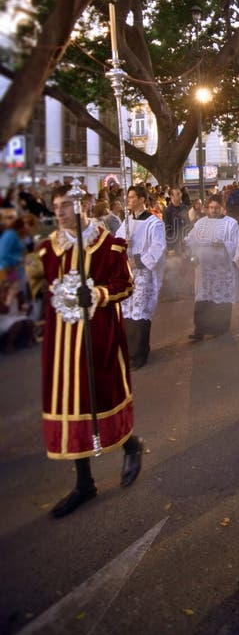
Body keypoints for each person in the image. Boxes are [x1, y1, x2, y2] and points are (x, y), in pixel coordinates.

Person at [38, 185, 144, 518]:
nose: (60, 212)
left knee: (100, 396)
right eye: (56, 206)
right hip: (61, 341)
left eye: (66, 205)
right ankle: (84, 483)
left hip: (98, 336)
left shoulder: (108, 245)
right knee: (70, 405)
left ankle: (131, 444)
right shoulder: (49, 249)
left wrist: (98, 293)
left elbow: (125, 285)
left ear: (82, 205)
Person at [116, 184, 167, 369]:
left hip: (144, 273)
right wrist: (122, 244)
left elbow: (158, 247)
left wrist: (137, 261)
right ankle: (128, 352)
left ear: (142, 199)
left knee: (140, 313)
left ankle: (139, 355)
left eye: (131, 197)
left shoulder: (154, 223)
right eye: (128, 197)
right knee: (127, 312)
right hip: (127, 273)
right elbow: (116, 240)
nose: (128, 200)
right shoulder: (126, 222)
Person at [184, 193, 239, 340]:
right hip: (204, 269)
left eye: (217, 208)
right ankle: (200, 330)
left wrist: (224, 244)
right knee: (203, 299)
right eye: (211, 207)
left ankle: (220, 328)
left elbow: (238, 244)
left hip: (223, 270)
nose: (214, 210)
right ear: (207, 208)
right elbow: (192, 239)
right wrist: (185, 243)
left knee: (221, 299)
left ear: (223, 208)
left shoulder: (231, 224)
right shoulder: (201, 223)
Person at [163, 186, 190, 254]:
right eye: (177, 194)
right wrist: (170, 247)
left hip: (186, 241)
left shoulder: (184, 207)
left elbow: (188, 224)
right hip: (175, 243)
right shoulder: (167, 211)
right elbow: (167, 229)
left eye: (180, 193)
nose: (180, 195)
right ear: (171, 196)